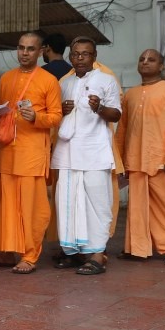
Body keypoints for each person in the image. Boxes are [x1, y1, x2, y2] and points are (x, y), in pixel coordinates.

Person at [0, 32, 62, 274]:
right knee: (0, 206)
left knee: (31, 208)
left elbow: (57, 116)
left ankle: (29, 255)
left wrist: (37, 117)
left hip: (31, 154)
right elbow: (2, 108)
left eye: (30, 49)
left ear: (41, 52)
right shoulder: (6, 78)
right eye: (21, 48)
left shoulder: (49, 81)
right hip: (6, 152)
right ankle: (5, 253)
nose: (24, 53)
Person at [51, 38, 121, 275]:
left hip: (94, 152)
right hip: (67, 152)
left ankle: (97, 254)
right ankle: (73, 251)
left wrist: (99, 108)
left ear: (94, 56)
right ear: (70, 57)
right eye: (76, 54)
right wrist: (62, 110)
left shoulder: (106, 80)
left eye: (85, 54)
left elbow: (116, 115)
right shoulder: (64, 82)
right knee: (67, 202)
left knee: (97, 203)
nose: (80, 58)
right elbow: (53, 114)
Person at [116, 49, 165, 264]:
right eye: (142, 59)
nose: (145, 63)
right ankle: (136, 248)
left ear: (160, 66)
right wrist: (120, 159)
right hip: (136, 160)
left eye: (151, 60)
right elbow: (123, 129)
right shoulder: (131, 94)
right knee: (137, 207)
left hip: (162, 161)